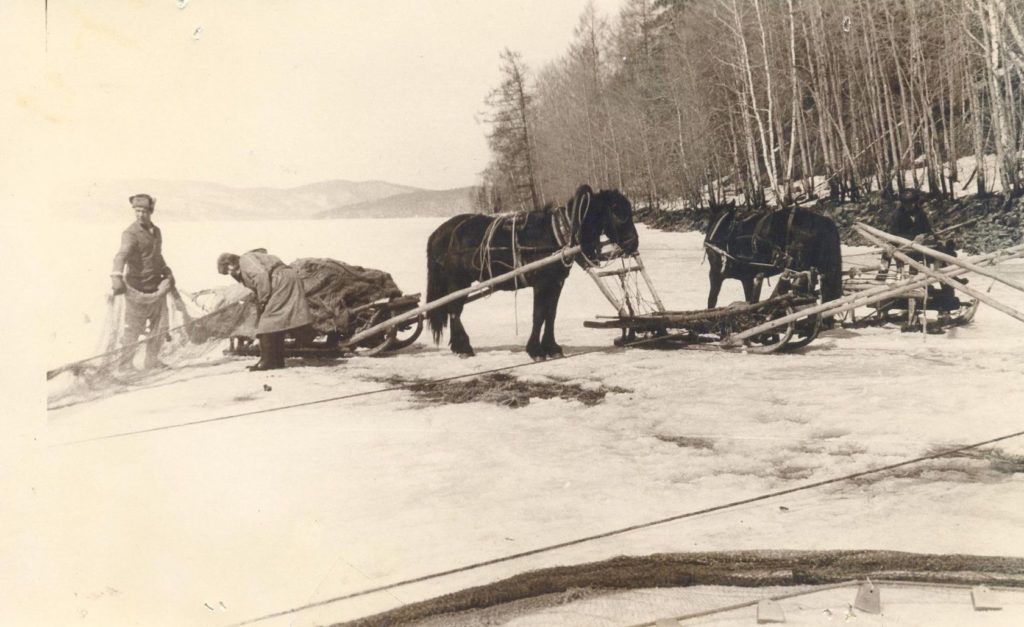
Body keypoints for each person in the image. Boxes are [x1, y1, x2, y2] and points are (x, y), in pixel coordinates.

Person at [217, 250, 313, 371]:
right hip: (285, 279)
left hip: (281, 281)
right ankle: (277, 360)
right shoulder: (246, 262)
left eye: (229, 269)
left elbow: (261, 275)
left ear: (231, 262)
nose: (231, 273)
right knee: (276, 324)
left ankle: (267, 362)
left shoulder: (245, 260)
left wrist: (263, 300)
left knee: (266, 322)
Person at [111, 194, 175, 370]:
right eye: (137, 211)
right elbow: (121, 255)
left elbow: (156, 255)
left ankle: (151, 361)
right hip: (137, 290)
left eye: (143, 211)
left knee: (159, 328)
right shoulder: (130, 233)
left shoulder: (157, 231)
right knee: (132, 329)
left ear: (150, 211)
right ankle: (125, 365)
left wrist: (166, 269)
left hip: (156, 287)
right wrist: (116, 276)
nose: (139, 214)